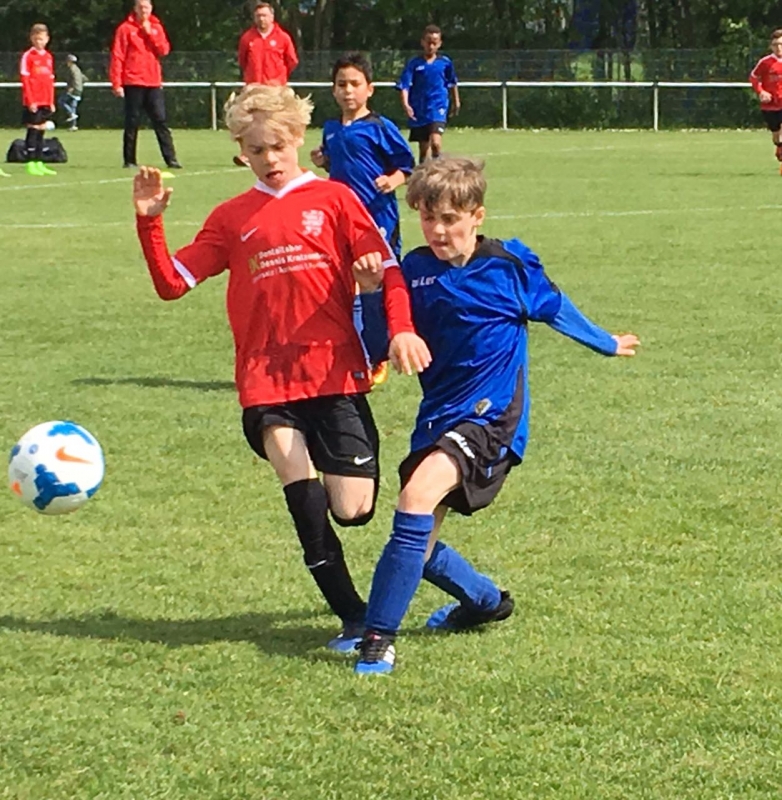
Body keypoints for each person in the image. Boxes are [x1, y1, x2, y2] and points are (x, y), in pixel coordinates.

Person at [131, 84, 431, 652]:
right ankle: (354, 618)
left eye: (277, 146)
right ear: (240, 151)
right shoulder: (230, 217)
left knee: (354, 509)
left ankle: (362, 573)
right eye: (255, 149)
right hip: (266, 381)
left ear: (297, 139)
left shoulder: (336, 200)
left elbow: (388, 271)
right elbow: (173, 283)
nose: (269, 159)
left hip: (334, 374)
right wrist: (150, 224)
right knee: (305, 500)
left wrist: (399, 328)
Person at [352, 157, 640, 674]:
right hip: (437, 416)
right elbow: (377, 346)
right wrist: (373, 294)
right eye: (428, 218)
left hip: (492, 418)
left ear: (477, 216)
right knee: (419, 538)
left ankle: (377, 639)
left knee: (414, 499)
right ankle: (485, 602)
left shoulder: (509, 266)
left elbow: (556, 308)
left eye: (450, 219)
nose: (438, 231)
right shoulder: (413, 271)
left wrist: (606, 342)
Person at [311, 52, 416, 385]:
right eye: (341, 84)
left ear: (369, 89)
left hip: (377, 217)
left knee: (380, 281)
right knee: (344, 282)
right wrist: (323, 161)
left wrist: (393, 180)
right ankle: (349, 350)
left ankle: (379, 353)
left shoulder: (379, 127)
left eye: (355, 84)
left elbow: (408, 165)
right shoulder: (331, 129)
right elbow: (339, 164)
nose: (348, 91)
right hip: (340, 219)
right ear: (333, 89)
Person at [110, 0, 181, 170]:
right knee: (132, 122)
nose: (143, 10)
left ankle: (171, 159)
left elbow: (164, 50)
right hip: (133, 81)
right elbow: (118, 55)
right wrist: (116, 83)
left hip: (153, 81)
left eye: (146, 7)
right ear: (135, 9)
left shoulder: (156, 27)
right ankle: (129, 160)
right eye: (140, 7)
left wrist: (150, 33)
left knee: (160, 120)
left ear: (151, 8)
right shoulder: (125, 29)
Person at [397, 25, 460, 164]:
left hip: (438, 106)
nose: (431, 46)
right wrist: (406, 104)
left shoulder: (445, 63)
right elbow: (405, 85)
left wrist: (456, 101)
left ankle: (438, 169)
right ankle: (423, 173)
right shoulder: (414, 63)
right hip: (420, 109)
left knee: (436, 143)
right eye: (428, 42)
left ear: (439, 43)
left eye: (434, 43)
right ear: (422, 42)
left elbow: (452, 82)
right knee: (424, 150)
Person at [20, 23, 57, 177]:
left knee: (41, 131)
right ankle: (30, 162)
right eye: (36, 39)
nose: (39, 42)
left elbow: (50, 80)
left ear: (47, 39)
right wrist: (30, 100)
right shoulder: (28, 56)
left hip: (45, 100)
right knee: (33, 130)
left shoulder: (48, 57)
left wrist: (51, 101)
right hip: (34, 100)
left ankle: (39, 162)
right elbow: (25, 80)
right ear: (31, 39)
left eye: (41, 39)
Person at [238, 2, 299, 86]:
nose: (261, 19)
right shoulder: (246, 38)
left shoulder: (283, 37)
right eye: (258, 16)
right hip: (254, 87)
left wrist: (280, 77)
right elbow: (242, 61)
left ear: (272, 17)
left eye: (264, 15)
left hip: (276, 87)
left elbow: (292, 61)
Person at [749, 29, 782, 166]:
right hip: (770, 105)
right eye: (775, 44)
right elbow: (753, 77)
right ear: (771, 46)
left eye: (781, 44)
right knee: (776, 136)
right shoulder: (765, 62)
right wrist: (761, 91)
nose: (778, 47)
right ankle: (779, 147)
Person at [59, 54, 85, 132]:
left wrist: (72, 87)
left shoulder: (71, 69)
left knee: (61, 101)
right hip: (79, 90)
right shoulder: (77, 69)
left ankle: (71, 114)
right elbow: (84, 78)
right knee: (73, 107)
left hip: (74, 90)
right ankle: (73, 125)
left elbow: (74, 79)